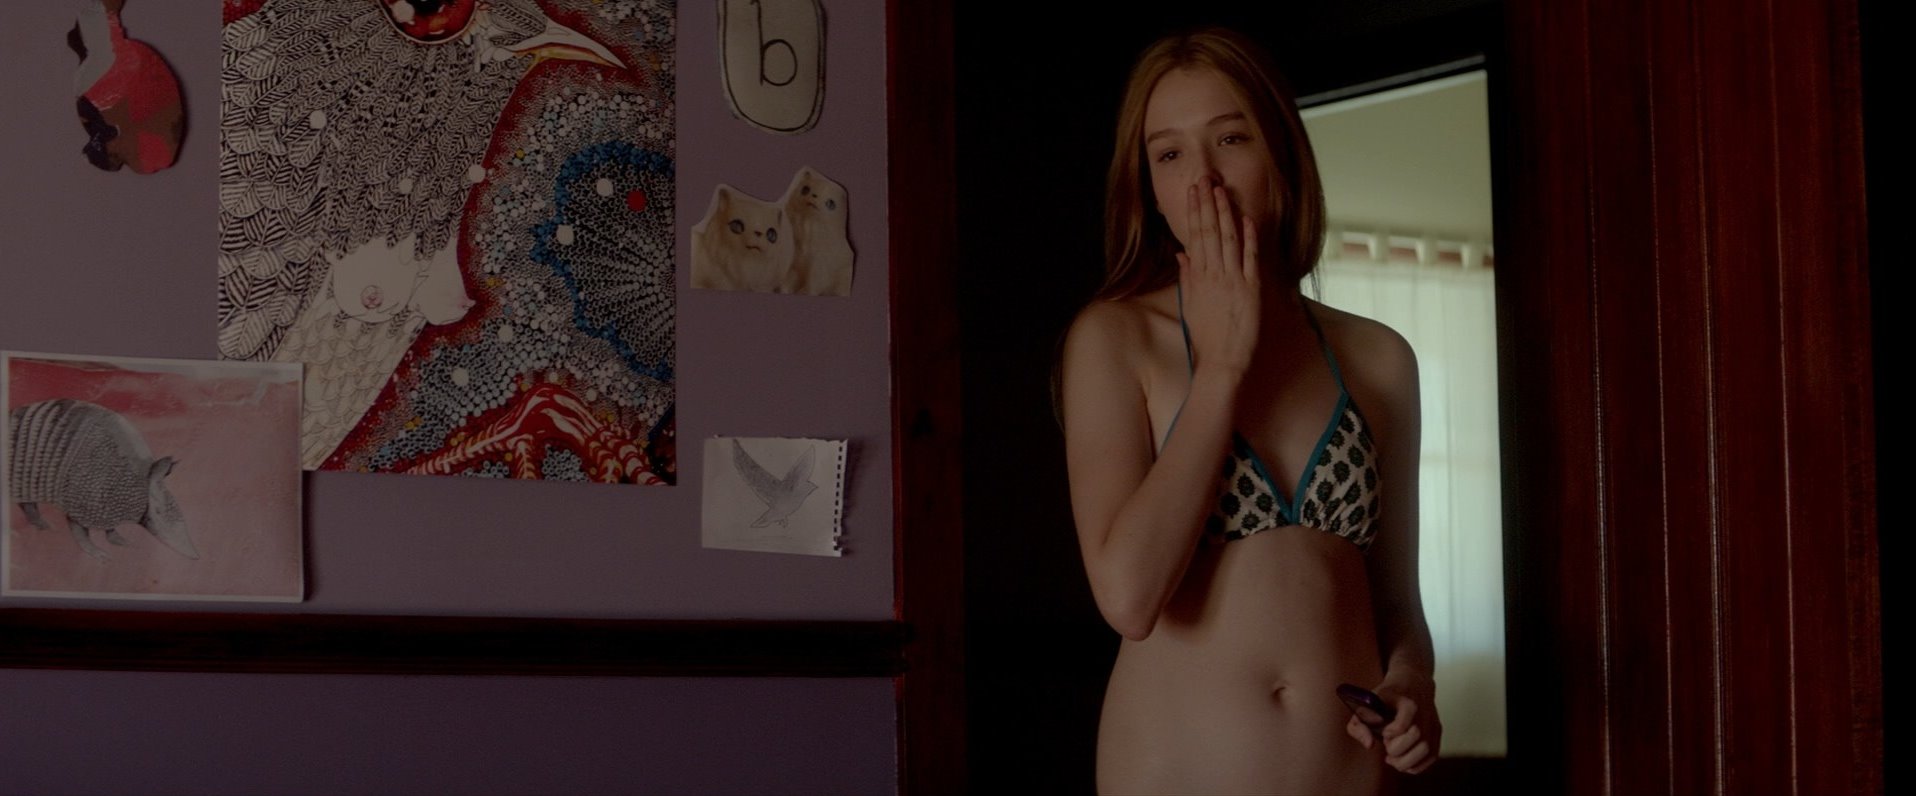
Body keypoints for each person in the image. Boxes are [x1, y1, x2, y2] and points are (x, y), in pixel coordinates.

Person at [1059, 26, 1441, 794]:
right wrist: (1223, 366)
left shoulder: (1379, 358)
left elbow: (1397, 599)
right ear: (1148, 185)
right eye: (1169, 154)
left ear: (1282, 154)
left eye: (1230, 139)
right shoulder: (1116, 338)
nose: (1203, 177)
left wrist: (1413, 684)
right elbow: (1129, 598)